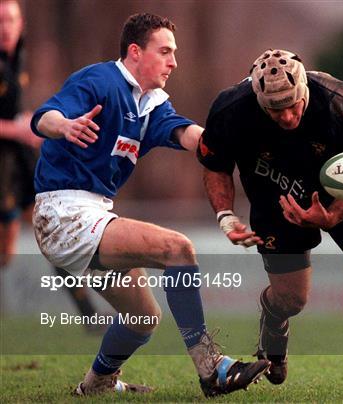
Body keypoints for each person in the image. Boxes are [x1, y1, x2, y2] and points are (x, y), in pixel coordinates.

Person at [30, 13, 270, 397]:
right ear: (135, 52)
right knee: (178, 249)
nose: (174, 61)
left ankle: (96, 385)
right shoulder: (100, 81)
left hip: (92, 213)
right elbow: (44, 117)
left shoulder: (151, 105)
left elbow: (190, 135)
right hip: (64, 213)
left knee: (143, 318)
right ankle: (211, 369)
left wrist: (237, 135)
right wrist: (66, 126)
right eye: (165, 51)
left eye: (174, 53)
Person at [198, 49, 343, 397]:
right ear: (259, 100)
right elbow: (215, 166)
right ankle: (273, 317)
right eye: (276, 109)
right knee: (292, 300)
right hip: (276, 201)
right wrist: (226, 216)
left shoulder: (340, 101)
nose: (287, 117)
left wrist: (332, 214)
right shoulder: (231, 110)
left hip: (341, 194)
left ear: (304, 88)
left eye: (293, 105)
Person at [0, 0, 107, 332]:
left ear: (20, 24)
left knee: (54, 229)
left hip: (19, 158)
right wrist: (17, 127)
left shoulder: (19, 56)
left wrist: (29, 124)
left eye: (11, 19)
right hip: (3, 163)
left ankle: (90, 315)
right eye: (1, 20)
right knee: (6, 253)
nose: (6, 26)